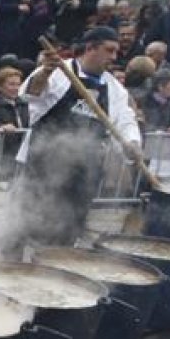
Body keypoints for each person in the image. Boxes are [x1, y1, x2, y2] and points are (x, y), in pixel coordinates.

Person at [13, 26, 142, 248]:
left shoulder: (114, 89)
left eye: (115, 52)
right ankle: (14, 267)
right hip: (43, 162)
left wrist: (132, 143)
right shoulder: (59, 72)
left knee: (70, 225)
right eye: (109, 50)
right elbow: (30, 94)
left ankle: (58, 266)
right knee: (29, 219)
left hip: (85, 169)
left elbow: (125, 121)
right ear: (90, 48)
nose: (114, 57)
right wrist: (44, 72)